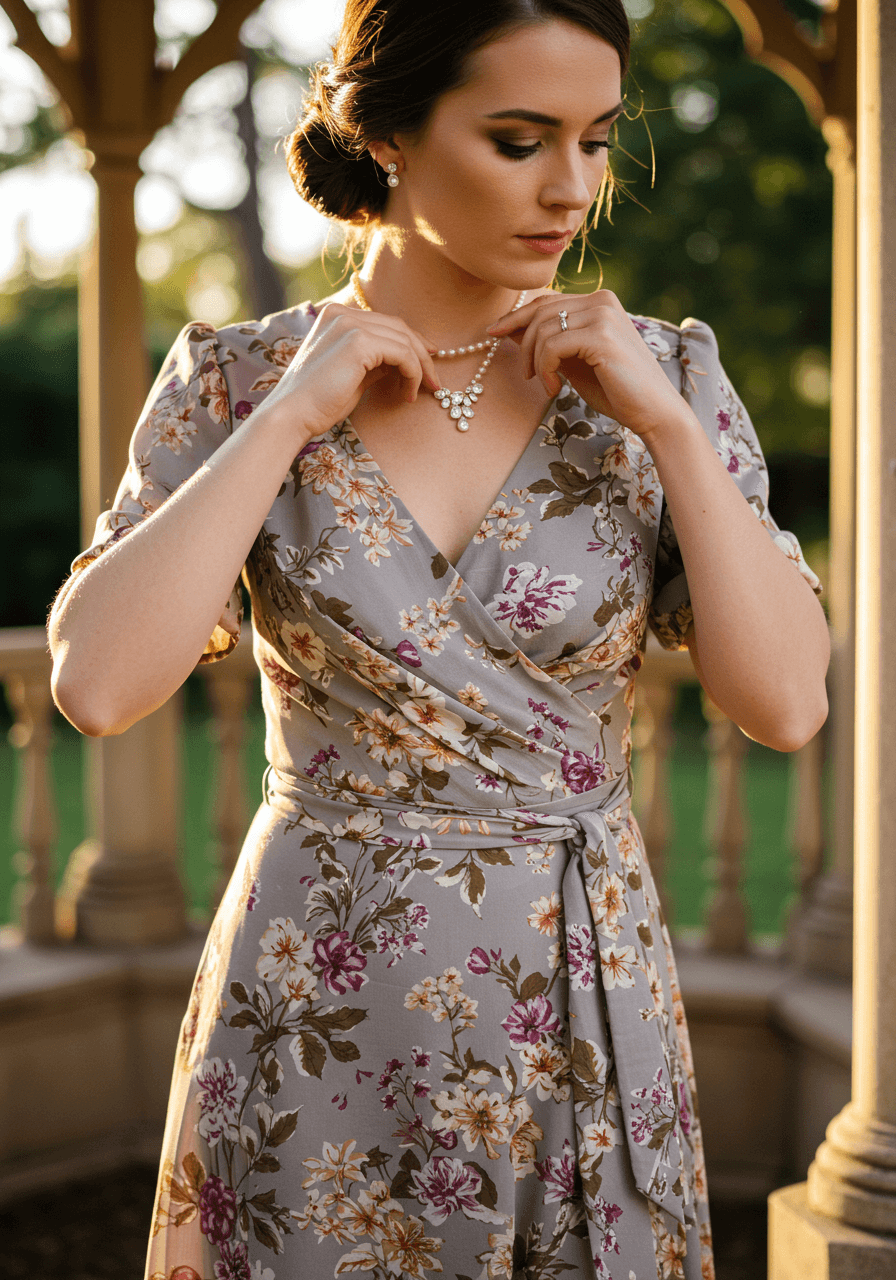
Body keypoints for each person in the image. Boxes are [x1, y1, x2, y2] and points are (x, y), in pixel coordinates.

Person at [48, 0, 829, 1276]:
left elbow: (788, 703)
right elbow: (95, 683)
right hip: (320, 1002)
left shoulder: (666, 378)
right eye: (519, 140)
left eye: (595, 139)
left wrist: (671, 433)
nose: (571, 187)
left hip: (584, 991)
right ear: (389, 134)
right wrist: (288, 419)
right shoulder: (238, 381)